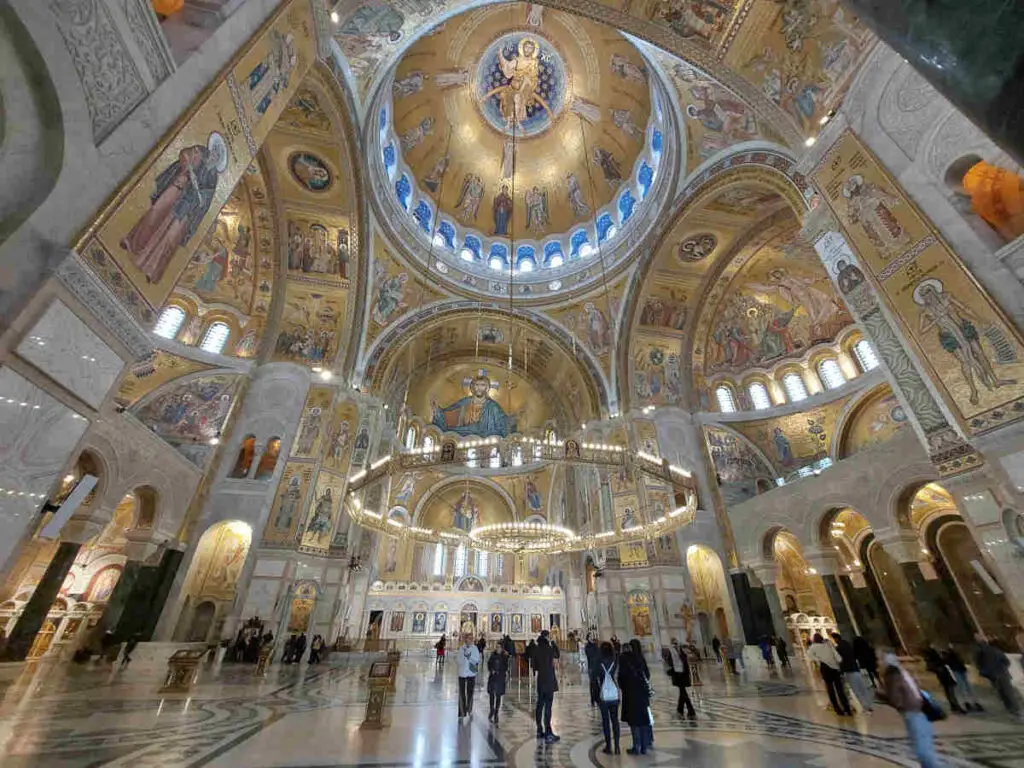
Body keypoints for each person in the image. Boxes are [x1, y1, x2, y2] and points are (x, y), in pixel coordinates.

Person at [882, 652, 940, 768]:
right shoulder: (897, 674)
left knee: (923, 745)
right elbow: (897, 696)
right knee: (923, 745)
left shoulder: (896, 673)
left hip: (916, 709)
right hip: (915, 710)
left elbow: (899, 694)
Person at [974, 633, 1023, 717]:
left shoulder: (979, 651)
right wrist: (1003, 669)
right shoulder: (995, 650)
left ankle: (1010, 709)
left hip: (993, 676)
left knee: (1002, 693)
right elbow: (1006, 661)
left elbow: (978, 664)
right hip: (1002, 674)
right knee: (1008, 692)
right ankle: (1015, 710)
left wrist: (986, 673)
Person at [618, 639, 652, 755]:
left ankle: (636, 746)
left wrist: (624, 687)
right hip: (642, 692)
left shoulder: (623, 659)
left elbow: (621, 678)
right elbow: (647, 674)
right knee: (643, 718)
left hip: (630, 693)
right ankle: (645, 745)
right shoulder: (640, 658)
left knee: (633, 721)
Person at [807, 633, 852, 716]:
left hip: (825, 667)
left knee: (830, 689)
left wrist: (819, 660)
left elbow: (809, 655)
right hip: (834, 668)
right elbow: (836, 655)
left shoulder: (813, 647)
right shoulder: (828, 644)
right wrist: (839, 661)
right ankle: (847, 708)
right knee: (839, 689)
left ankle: (837, 709)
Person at [531, 630, 561, 743]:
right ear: (547, 637)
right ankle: (548, 732)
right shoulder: (549, 648)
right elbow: (557, 655)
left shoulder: (536, 649)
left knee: (540, 704)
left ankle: (539, 730)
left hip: (540, 680)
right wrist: (553, 644)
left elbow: (534, 665)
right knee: (548, 706)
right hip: (549, 679)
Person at [833, 632, 873, 712]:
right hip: (855, 668)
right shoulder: (848, 644)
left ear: (836, 639)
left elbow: (839, 660)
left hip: (848, 670)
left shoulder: (838, 648)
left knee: (856, 690)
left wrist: (841, 671)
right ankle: (869, 704)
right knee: (862, 688)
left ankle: (865, 706)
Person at [595, 641, 621, 754]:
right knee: (615, 721)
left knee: (606, 721)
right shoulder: (614, 660)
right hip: (614, 692)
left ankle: (608, 746)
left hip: (604, 693)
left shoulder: (598, 661)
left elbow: (594, 676)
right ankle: (617, 747)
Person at [923, 645, 964, 713]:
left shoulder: (934, 657)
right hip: (945, 674)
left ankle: (954, 706)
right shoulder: (936, 657)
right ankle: (955, 706)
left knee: (948, 691)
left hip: (943, 675)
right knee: (950, 691)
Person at [943, 644, 982, 711]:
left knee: (966, 686)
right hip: (958, 670)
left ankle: (972, 702)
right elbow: (954, 661)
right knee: (964, 687)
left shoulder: (952, 654)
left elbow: (959, 661)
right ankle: (970, 702)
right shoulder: (950, 654)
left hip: (960, 670)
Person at [668, 638, 696, 719]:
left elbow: (688, 659)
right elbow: (670, 663)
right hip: (678, 675)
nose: (676, 645)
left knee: (682, 693)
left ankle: (680, 710)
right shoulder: (671, 652)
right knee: (683, 692)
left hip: (683, 675)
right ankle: (690, 711)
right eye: (674, 644)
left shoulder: (683, 650)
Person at [457, 634, 482, 721]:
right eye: (467, 639)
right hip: (462, 673)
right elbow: (458, 660)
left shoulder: (475, 648)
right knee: (461, 693)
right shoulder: (461, 648)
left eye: (471, 639)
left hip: (471, 673)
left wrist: (469, 657)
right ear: (465, 640)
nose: (469, 640)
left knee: (470, 693)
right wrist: (464, 659)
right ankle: (461, 712)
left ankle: (469, 709)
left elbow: (477, 660)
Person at [487, 644, 508, 723]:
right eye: (497, 647)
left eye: (499, 647)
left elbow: (506, 667)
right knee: (491, 694)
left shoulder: (504, 656)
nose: (498, 649)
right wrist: (491, 670)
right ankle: (491, 709)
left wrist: (501, 672)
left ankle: (496, 712)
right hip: (493, 677)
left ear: (502, 648)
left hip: (500, 678)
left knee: (498, 695)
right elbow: (489, 664)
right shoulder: (493, 655)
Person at [585, 634, 601, 708]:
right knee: (592, 683)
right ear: (588, 638)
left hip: (597, 666)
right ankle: (593, 699)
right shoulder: (587, 646)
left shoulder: (595, 645)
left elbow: (598, 654)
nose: (592, 638)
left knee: (597, 683)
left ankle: (598, 698)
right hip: (591, 667)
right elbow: (590, 655)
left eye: (592, 636)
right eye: (590, 636)